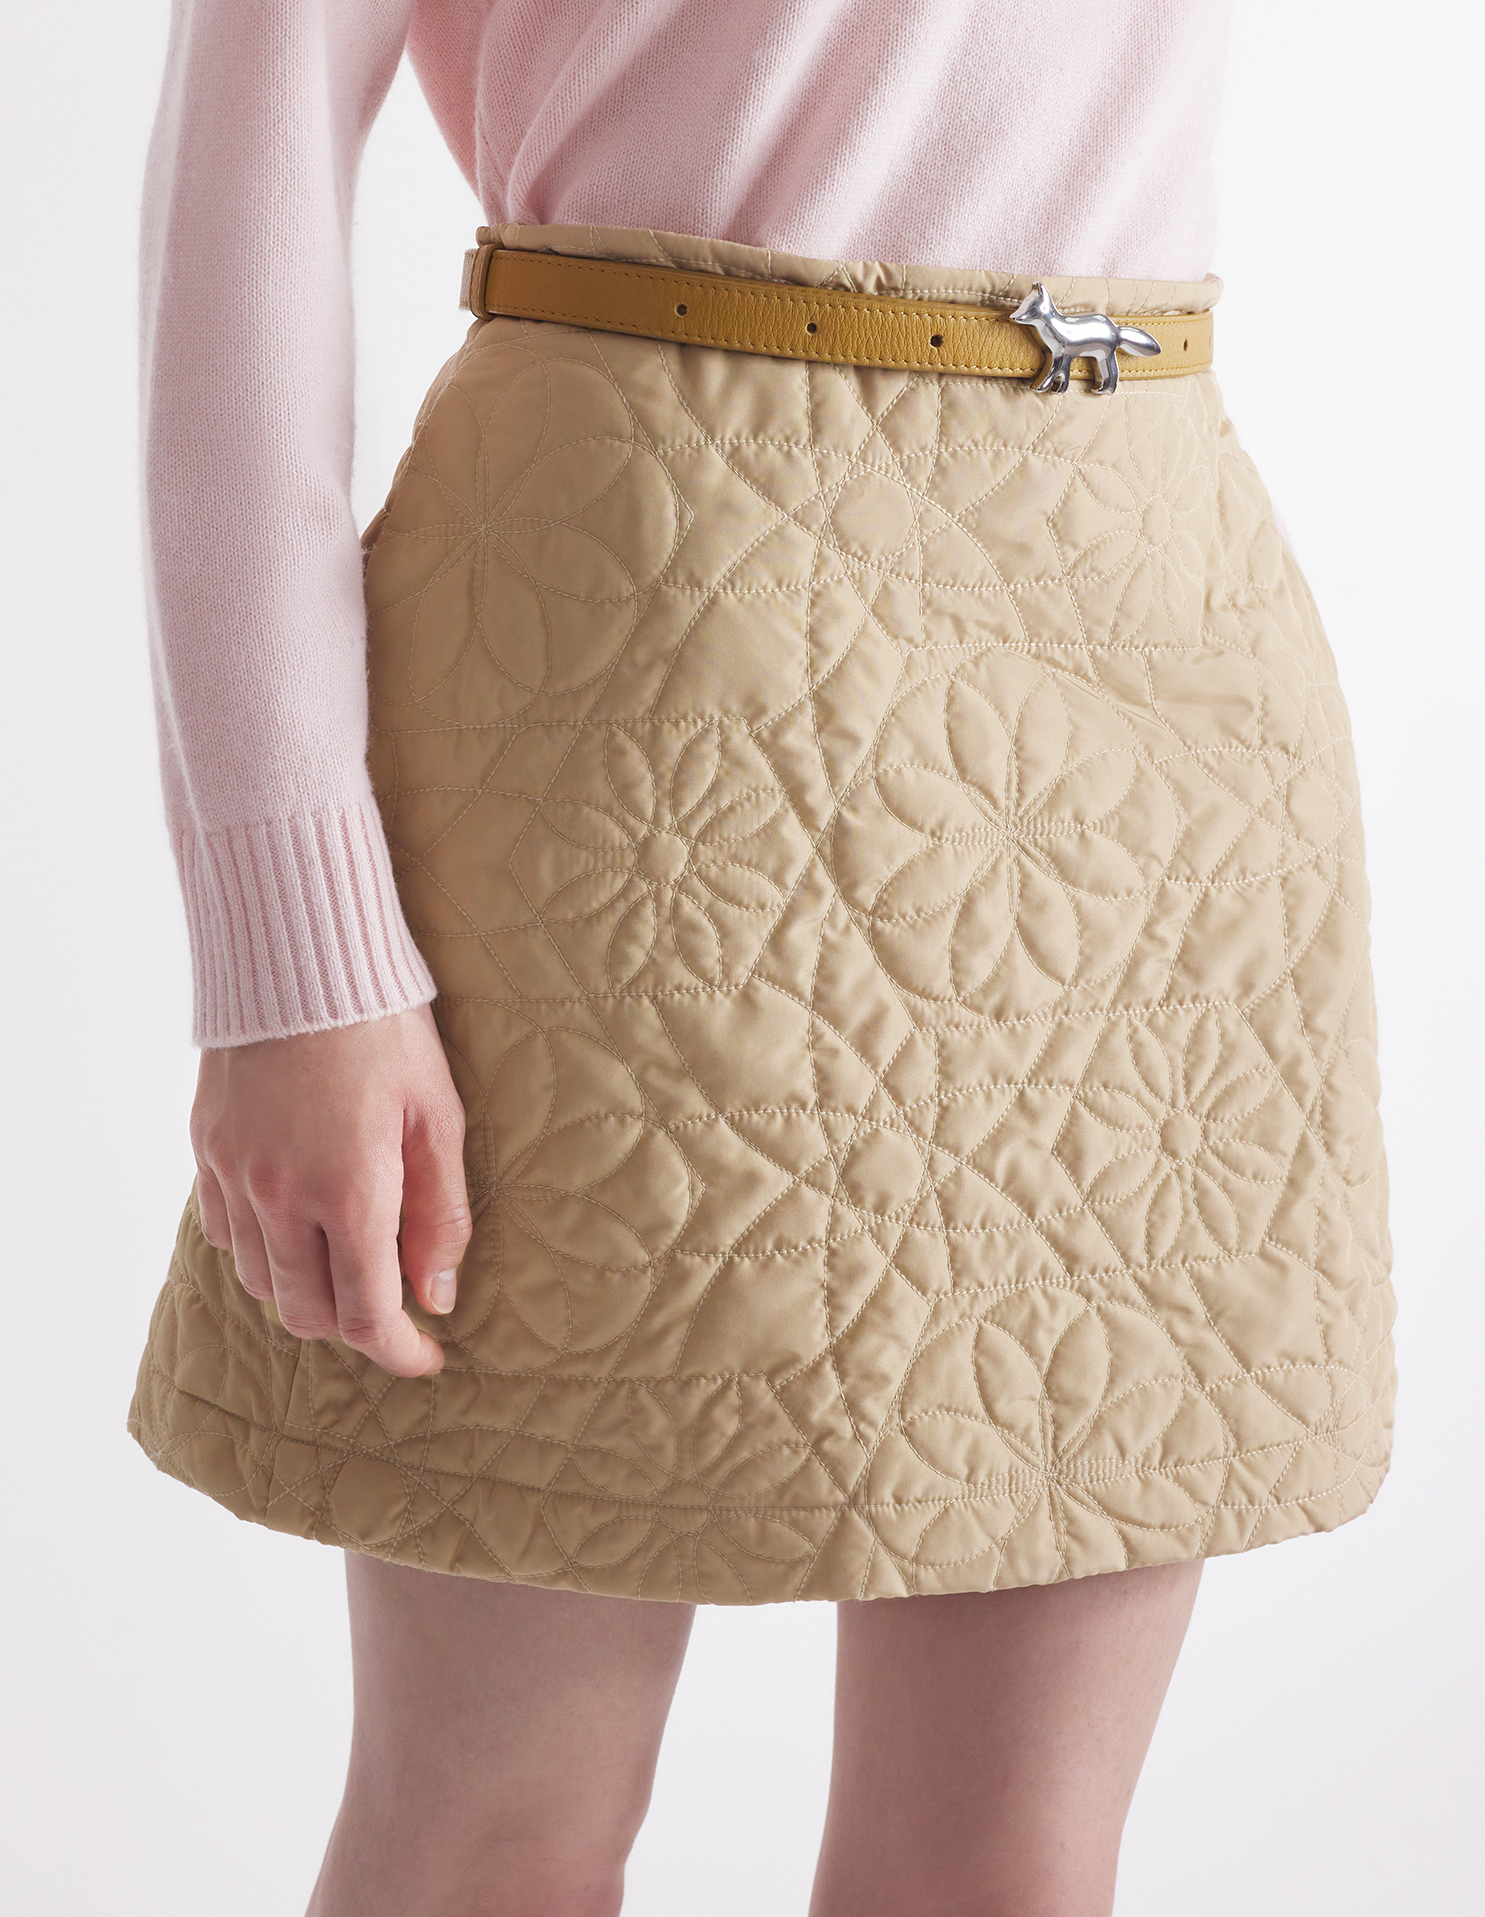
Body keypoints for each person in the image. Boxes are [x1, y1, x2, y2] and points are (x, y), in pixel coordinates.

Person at [127, 5, 1397, 1912]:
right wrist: (291, 956)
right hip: (622, 672)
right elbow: (246, 179)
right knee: (499, 1827)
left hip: (1144, 639)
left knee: (1005, 1865)